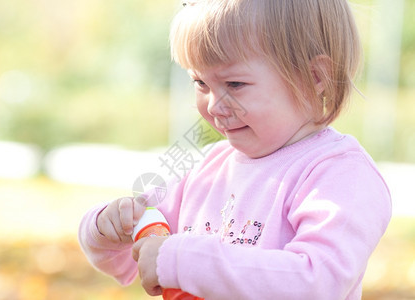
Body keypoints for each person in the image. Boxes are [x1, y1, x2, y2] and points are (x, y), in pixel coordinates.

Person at [78, 0, 392, 299]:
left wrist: (184, 261)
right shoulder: (205, 170)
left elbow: (318, 282)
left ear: (314, 77)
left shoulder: (340, 175)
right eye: (200, 83)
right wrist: (108, 227)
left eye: (235, 84)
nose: (214, 105)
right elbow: (134, 254)